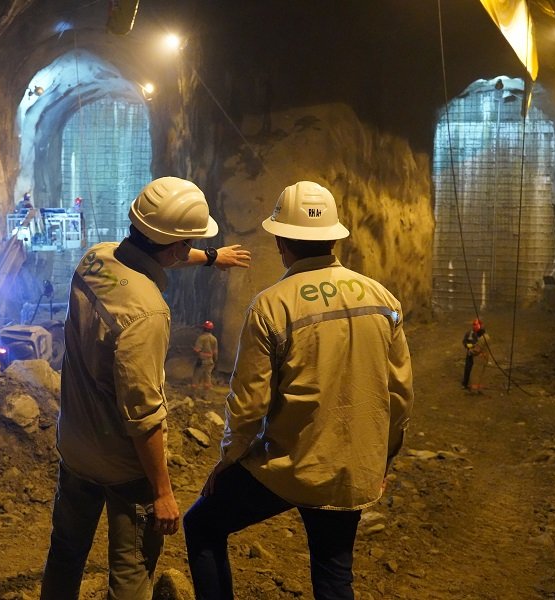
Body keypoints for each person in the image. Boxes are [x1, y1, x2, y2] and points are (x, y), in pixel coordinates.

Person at [183, 180, 414, 600]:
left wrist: (228, 460)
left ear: (281, 242)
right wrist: (381, 459)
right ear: (334, 239)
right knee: (334, 573)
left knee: (201, 525)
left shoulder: (271, 305)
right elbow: (400, 395)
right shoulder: (382, 299)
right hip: (352, 469)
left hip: (291, 466)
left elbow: (249, 405)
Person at [40, 176, 251, 600]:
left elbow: (152, 255)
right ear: (175, 247)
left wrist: (210, 257)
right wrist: (163, 493)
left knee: (65, 552)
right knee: (131, 573)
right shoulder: (147, 313)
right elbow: (143, 413)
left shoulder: (94, 259)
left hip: (76, 445)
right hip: (124, 465)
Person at [192, 320, 219, 398]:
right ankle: (205, 396)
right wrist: (215, 361)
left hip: (201, 361)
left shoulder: (201, 338)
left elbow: (197, 350)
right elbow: (215, 352)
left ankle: (194, 395)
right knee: (207, 378)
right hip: (210, 361)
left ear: (204, 328)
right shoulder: (214, 339)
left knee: (196, 377)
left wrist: (196, 353)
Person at [462, 318, 487, 390]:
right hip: (470, 353)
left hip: (478, 355)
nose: (474, 326)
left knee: (477, 371)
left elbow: (484, 343)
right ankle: (465, 383)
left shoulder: (482, 334)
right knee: (467, 368)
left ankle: (476, 385)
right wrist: (467, 345)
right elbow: (464, 341)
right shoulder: (469, 333)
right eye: (473, 325)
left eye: (476, 325)